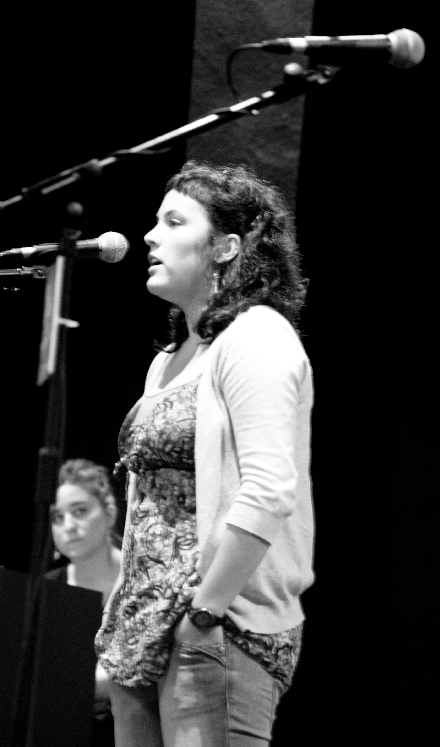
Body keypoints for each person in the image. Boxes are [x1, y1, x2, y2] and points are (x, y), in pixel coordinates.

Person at [94, 160, 315, 746]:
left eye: (173, 222)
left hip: (214, 629)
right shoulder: (167, 361)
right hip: (141, 629)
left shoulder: (257, 336)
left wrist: (204, 613)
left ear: (225, 247)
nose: (149, 236)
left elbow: (268, 491)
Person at [47, 458, 122, 747]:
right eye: (57, 517)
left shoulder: (143, 578)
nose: (68, 526)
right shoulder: (47, 590)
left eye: (80, 511)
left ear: (109, 512)